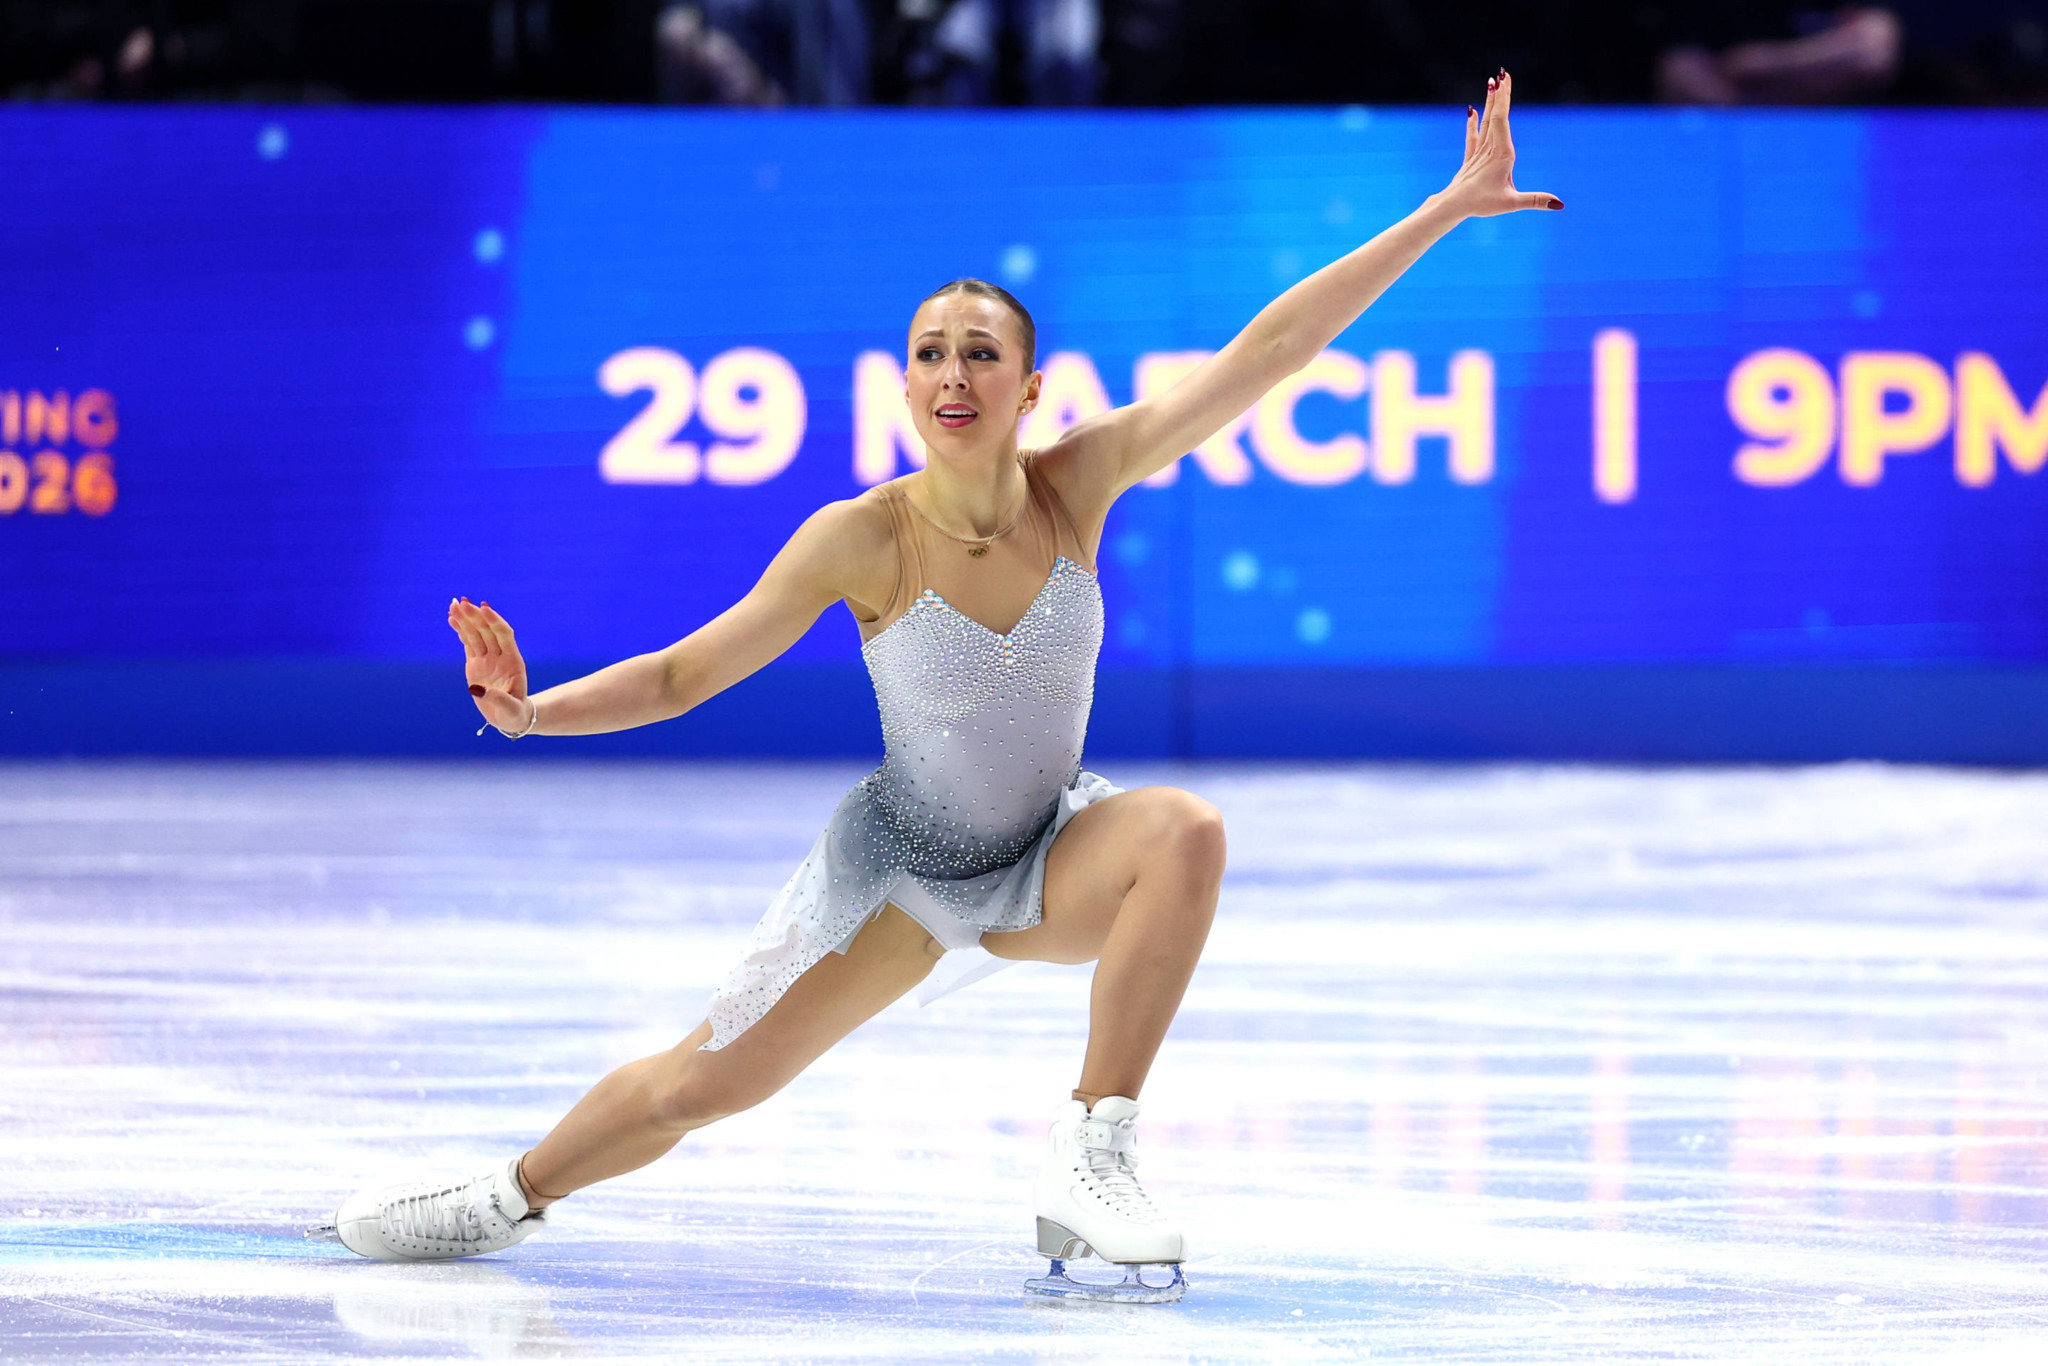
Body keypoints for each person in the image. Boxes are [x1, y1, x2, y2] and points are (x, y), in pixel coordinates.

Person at [310, 69, 1560, 1303]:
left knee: (1184, 830)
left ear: (1030, 388)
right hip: (898, 877)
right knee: (702, 1085)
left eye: (980, 353)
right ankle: (504, 1194)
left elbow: (1273, 349)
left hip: (1039, 856)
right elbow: (688, 672)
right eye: (929, 354)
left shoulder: (1081, 481)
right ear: (904, 387)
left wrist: (1445, 208)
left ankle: (1092, 1152)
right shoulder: (858, 538)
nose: (952, 373)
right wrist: (529, 710)